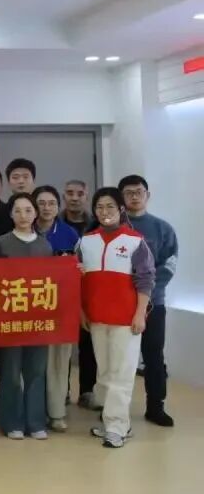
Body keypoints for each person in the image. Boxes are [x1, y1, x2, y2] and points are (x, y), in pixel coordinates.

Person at [79, 187, 155, 448]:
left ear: (121, 209)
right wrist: (82, 312)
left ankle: (116, 427)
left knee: (121, 374)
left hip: (126, 319)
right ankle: (116, 422)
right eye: (100, 207)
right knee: (105, 373)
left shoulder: (135, 241)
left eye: (110, 206)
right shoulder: (86, 241)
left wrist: (140, 314)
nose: (105, 211)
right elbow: (78, 279)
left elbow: (146, 279)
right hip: (96, 318)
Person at [119, 174, 178, 427]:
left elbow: (169, 265)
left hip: (154, 304)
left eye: (139, 192)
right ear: (121, 197)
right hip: (118, 305)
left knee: (153, 356)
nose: (134, 196)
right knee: (118, 359)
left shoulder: (162, 228)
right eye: (129, 192)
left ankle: (156, 406)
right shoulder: (112, 227)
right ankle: (116, 408)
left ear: (147, 195)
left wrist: (146, 291)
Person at [0, 193, 53, 440]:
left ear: (35, 213)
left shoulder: (45, 245)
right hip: (10, 317)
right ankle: (12, 422)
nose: (23, 215)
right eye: (17, 210)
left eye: (28, 210)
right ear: (10, 214)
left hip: (38, 317)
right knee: (10, 370)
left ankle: (36, 421)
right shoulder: (1, 243)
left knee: (37, 370)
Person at [33, 185, 81, 432]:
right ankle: (34, 411)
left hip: (61, 307)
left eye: (51, 203)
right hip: (28, 308)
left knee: (59, 363)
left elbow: (81, 267)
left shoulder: (69, 234)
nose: (46, 208)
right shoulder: (23, 231)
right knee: (34, 364)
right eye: (41, 203)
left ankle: (56, 413)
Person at [62, 181, 99, 411]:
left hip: (89, 293)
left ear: (86, 197)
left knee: (88, 345)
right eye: (70, 193)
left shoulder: (96, 225)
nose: (74, 198)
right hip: (62, 295)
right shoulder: (54, 223)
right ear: (64, 196)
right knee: (62, 346)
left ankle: (87, 390)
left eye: (80, 194)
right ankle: (62, 391)